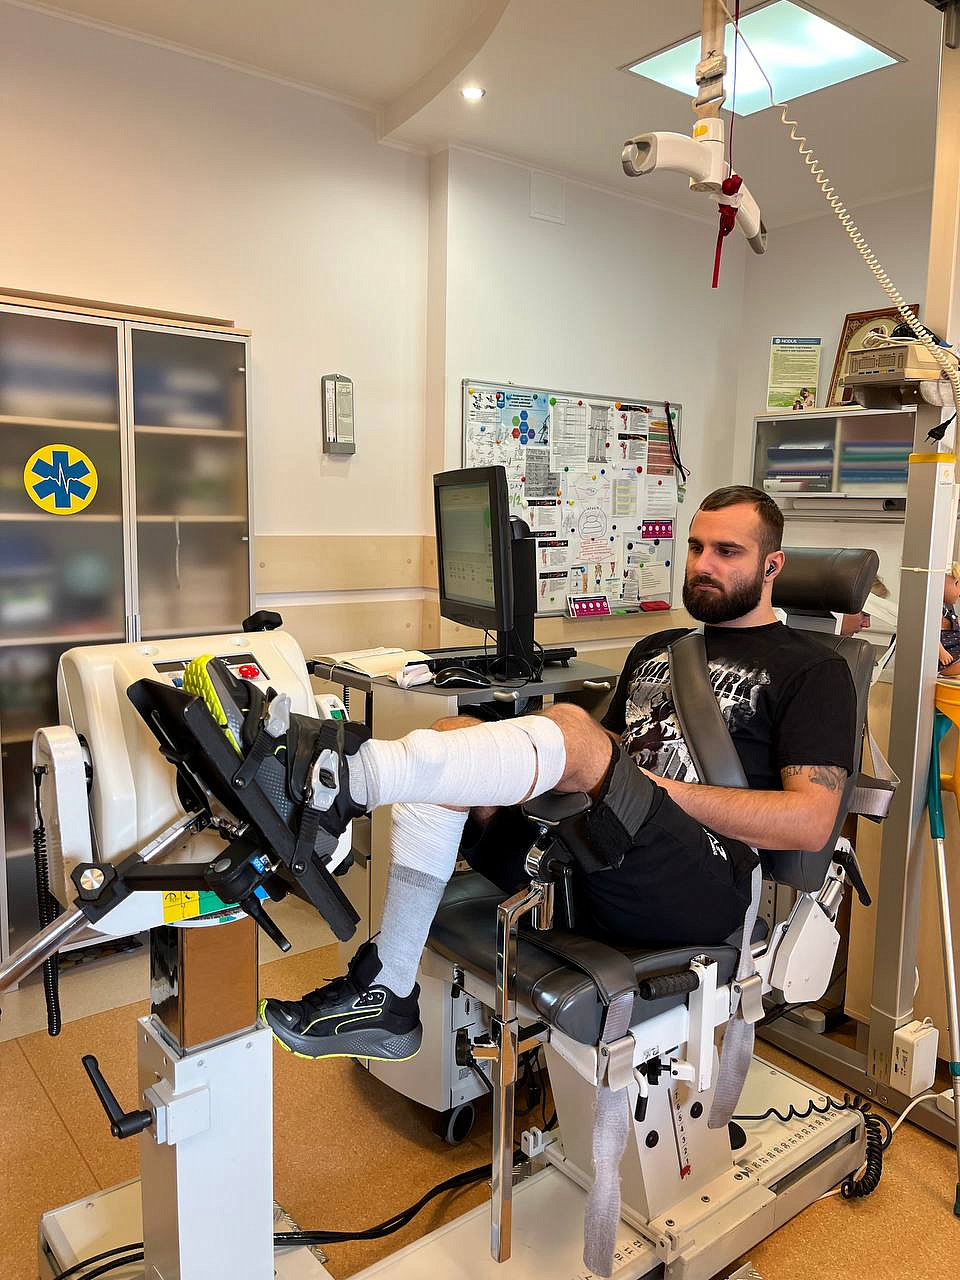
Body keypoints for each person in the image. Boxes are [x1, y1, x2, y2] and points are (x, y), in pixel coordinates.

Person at [259, 486, 858, 1063]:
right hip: (595, 856)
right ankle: (387, 994)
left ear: (772, 565)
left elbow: (810, 823)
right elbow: (617, 751)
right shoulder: (662, 647)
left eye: (728, 552)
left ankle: (341, 784)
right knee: (454, 736)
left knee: (570, 726)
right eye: (697, 547)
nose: (703, 565)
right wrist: (548, 758)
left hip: (700, 883)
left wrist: (642, 784)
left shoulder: (813, 670)